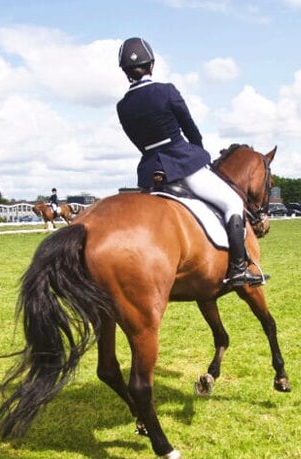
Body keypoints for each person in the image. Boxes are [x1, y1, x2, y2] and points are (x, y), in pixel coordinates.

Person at [116, 37, 261, 286]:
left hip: (151, 174)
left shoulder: (123, 106)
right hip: (182, 163)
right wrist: (198, 156)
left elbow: (138, 142)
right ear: (152, 64)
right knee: (232, 202)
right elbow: (191, 130)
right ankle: (238, 269)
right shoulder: (167, 91)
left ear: (126, 72)